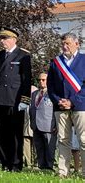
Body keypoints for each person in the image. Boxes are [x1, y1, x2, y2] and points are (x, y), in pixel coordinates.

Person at [0, 28, 32, 172]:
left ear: (14, 39)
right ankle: (5, 163)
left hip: (15, 100)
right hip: (0, 98)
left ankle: (15, 164)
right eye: (1, 38)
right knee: (2, 133)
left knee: (15, 134)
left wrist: (25, 100)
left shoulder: (23, 55)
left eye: (5, 38)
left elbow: (26, 80)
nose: (2, 41)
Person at [47, 33, 85, 178]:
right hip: (60, 107)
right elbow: (50, 86)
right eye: (63, 43)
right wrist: (58, 101)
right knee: (63, 140)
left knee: (83, 139)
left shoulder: (84, 60)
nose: (64, 46)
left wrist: (72, 101)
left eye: (68, 43)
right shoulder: (56, 62)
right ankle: (63, 172)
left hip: (81, 106)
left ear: (77, 44)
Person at [30, 73, 56, 170]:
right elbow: (32, 109)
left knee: (50, 148)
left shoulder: (53, 93)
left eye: (43, 80)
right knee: (39, 147)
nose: (41, 81)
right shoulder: (34, 94)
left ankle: (50, 167)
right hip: (36, 124)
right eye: (40, 79)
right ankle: (42, 166)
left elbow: (55, 110)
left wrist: (56, 124)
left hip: (49, 125)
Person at [23, 85, 38, 168]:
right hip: (26, 127)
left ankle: (37, 163)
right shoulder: (25, 102)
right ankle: (28, 163)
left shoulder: (37, 102)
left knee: (36, 146)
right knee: (26, 145)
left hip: (36, 127)